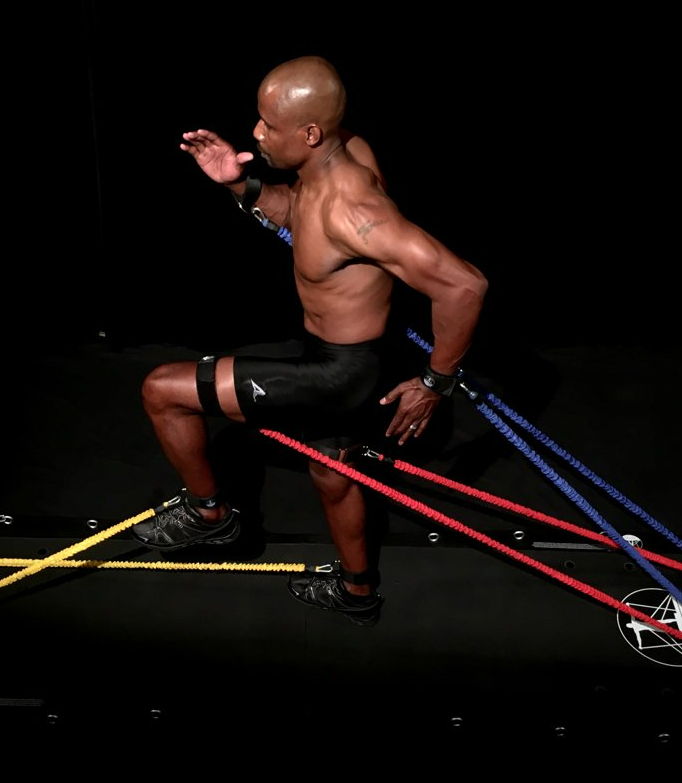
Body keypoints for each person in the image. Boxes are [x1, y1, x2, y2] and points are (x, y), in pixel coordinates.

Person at [131, 56, 488, 626]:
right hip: (343, 356)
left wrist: (434, 383)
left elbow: (464, 286)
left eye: (269, 125)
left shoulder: (355, 210)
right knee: (331, 469)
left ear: (311, 133)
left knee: (162, 390)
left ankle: (210, 516)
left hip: (341, 374)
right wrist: (240, 183)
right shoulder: (341, 158)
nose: (256, 132)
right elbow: (298, 214)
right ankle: (358, 591)